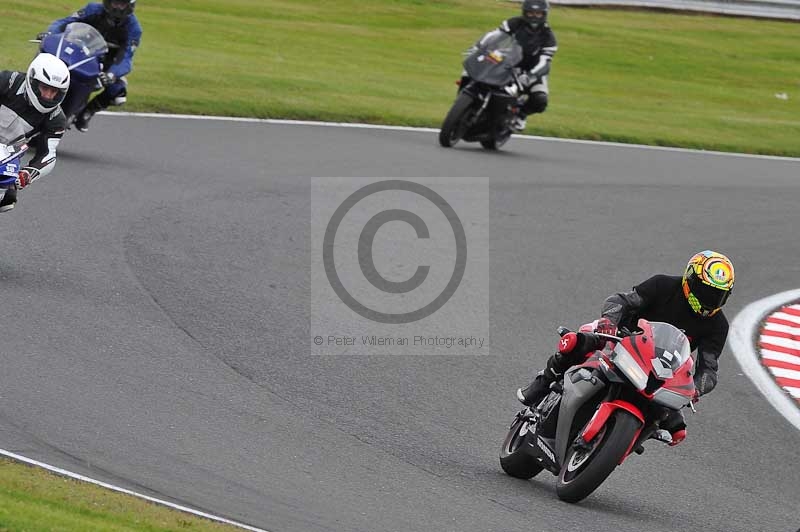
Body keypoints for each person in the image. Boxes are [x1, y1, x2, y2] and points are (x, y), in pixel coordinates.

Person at [516, 250, 735, 445]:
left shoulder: (718, 325)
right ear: (690, 278)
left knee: (673, 424)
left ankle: (623, 440)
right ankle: (543, 382)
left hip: (661, 370)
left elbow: (709, 368)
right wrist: (609, 322)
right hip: (622, 340)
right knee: (577, 341)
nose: (711, 300)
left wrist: (696, 388)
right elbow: (621, 300)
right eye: (706, 291)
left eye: (719, 295)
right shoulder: (663, 285)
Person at [40, 0, 142, 132]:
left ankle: (86, 112)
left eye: (121, 4)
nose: (117, 7)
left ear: (130, 5)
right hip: (78, 55)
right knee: (45, 59)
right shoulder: (92, 9)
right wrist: (50, 33)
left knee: (118, 90)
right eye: (114, 3)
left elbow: (127, 57)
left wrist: (112, 74)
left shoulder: (134, 28)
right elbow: (65, 22)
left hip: (103, 66)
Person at [0, 54, 69, 212]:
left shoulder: (56, 118)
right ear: (32, 80)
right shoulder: (9, 81)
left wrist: (28, 174)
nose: (48, 96)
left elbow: (48, 155)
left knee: (8, 199)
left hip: (6, 156)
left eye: (55, 92)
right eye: (45, 88)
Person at [498, 0, 558, 132]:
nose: (534, 16)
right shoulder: (512, 23)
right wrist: (479, 48)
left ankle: (521, 115)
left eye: (538, 13)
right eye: (530, 13)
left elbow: (544, 61)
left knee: (540, 100)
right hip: (507, 63)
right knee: (473, 73)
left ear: (544, 14)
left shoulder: (548, 36)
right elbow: (494, 38)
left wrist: (530, 75)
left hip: (533, 71)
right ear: (524, 12)